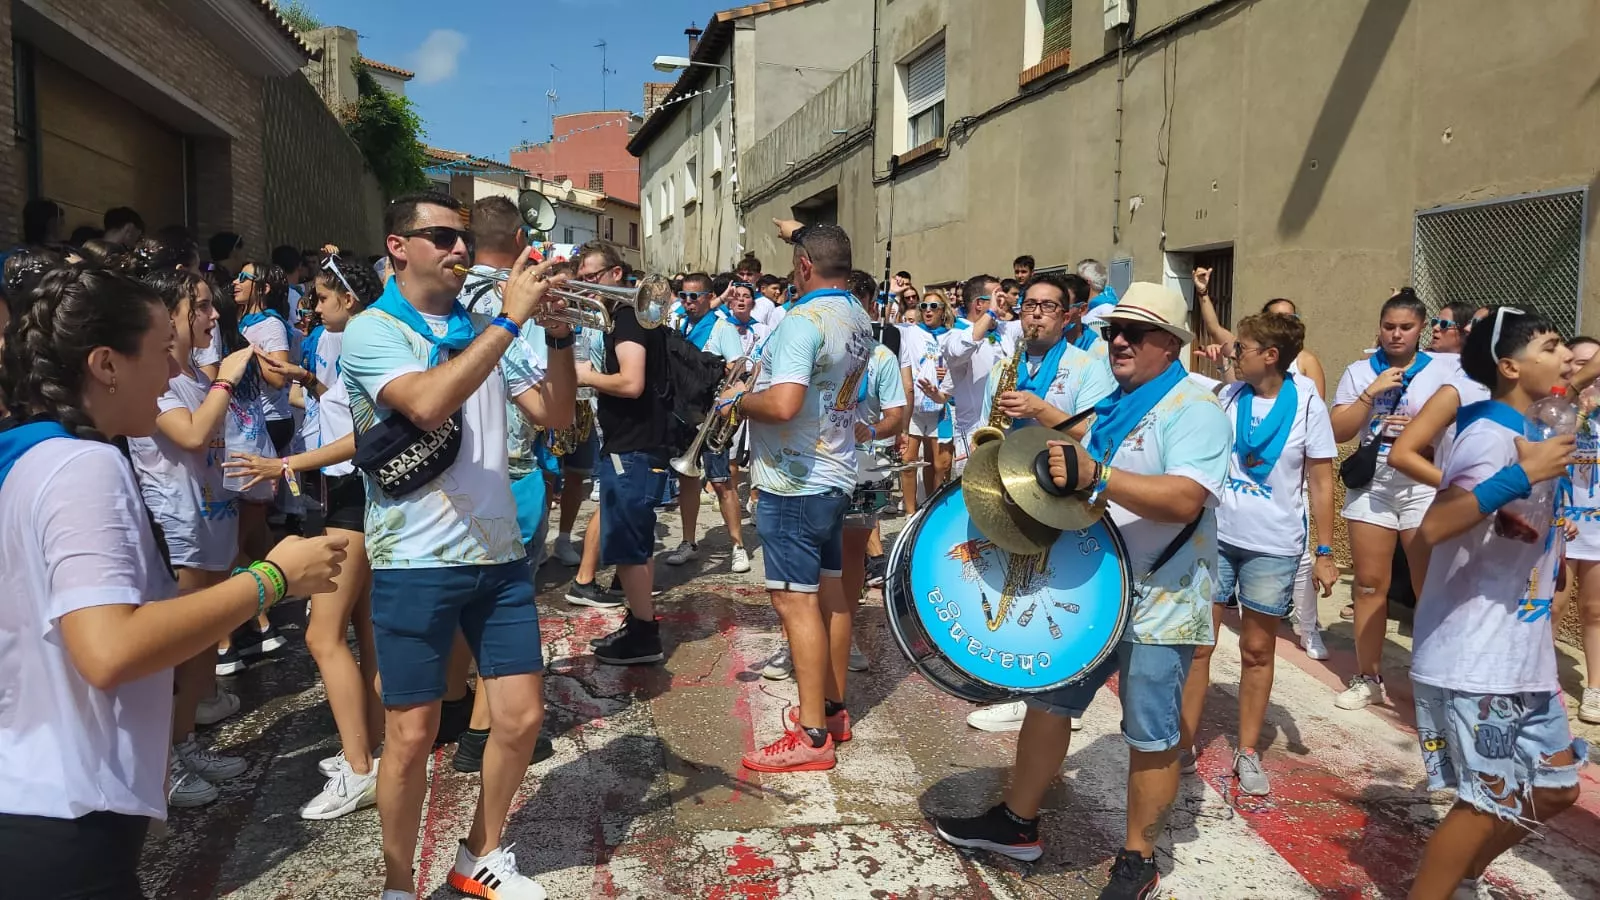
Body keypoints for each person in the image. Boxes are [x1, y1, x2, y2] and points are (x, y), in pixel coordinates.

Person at [0, 264, 344, 899]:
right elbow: (111, 650)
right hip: (68, 817)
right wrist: (273, 578)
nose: (173, 372)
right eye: (160, 353)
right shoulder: (84, 467)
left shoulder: (30, 460)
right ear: (106, 364)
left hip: (46, 800)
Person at [935, 283, 1230, 900]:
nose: (1117, 341)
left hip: (1162, 595)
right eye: (1111, 331)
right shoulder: (1115, 404)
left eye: (1134, 332)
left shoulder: (1193, 408)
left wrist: (1096, 473)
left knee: (1150, 731)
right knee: (1050, 701)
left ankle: (1138, 859)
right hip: (1098, 589)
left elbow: (1184, 499)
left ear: (1170, 344)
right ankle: (1017, 823)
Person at [341, 190, 575, 900]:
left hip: (499, 556)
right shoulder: (372, 330)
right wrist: (509, 319)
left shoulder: (485, 329)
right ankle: (394, 884)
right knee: (410, 737)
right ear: (397, 246)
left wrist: (557, 335)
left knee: (522, 718)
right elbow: (428, 402)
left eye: (464, 239)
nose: (459, 250)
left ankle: (480, 854)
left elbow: (557, 415)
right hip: (415, 559)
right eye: (441, 237)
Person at [1405, 307, 1583, 900]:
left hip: (1521, 652)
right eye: (1554, 346)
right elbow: (1433, 527)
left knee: (1557, 788)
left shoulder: (1532, 423)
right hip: (1475, 656)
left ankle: (1463, 876)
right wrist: (1517, 478)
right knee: (1484, 804)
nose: (1566, 358)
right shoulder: (1488, 436)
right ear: (1510, 366)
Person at [228, 255, 388, 820]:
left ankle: (361, 768)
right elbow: (345, 414)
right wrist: (310, 383)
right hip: (353, 499)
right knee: (362, 631)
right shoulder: (358, 345)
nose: (312, 309)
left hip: (351, 500)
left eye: (320, 299)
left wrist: (283, 465)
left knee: (323, 637)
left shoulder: (364, 346)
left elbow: (358, 439)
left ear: (347, 299)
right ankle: (371, 750)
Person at [729, 219, 873, 773]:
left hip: (794, 480)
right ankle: (833, 710)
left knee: (795, 602)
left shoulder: (801, 319)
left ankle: (812, 735)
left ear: (805, 267)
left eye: (795, 262)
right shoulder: (856, 315)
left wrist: (738, 401)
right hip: (835, 471)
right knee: (830, 592)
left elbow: (784, 404)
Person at [1177, 312, 1339, 796]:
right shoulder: (1229, 396)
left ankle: (1247, 751)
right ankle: (1182, 744)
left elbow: (1322, 482)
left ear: (1270, 355)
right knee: (1198, 642)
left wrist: (1326, 551)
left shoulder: (1309, 404)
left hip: (1273, 546)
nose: (1232, 351)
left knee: (1256, 650)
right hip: (1217, 537)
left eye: (1242, 346)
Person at [963, 273, 1117, 736]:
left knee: (1047, 591)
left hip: (1060, 496)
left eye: (1048, 307)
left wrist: (1039, 410)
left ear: (1067, 316)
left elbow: (1094, 433)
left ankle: (1038, 693)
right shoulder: (1005, 366)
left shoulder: (1088, 366)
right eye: (1029, 305)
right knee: (1007, 583)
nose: (1035, 314)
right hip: (1011, 486)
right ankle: (1014, 686)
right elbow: (988, 427)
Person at [127, 268, 259, 808]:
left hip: (215, 524)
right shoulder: (159, 380)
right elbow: (191, 432)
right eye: (200, 307)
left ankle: (186, 744)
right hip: (179, 530)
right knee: (177, 657)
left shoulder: (196, 376)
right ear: (169, 316)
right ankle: (162, 768)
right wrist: (228, 380)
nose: (211, 316)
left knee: (204, 645)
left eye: (210, 306)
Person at [1329, 289, 1454, 711]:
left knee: (1428, 587)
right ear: (1379, 328)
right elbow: (1338, 431)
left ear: (1422, 329)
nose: (1396, 335)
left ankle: (1434, 681)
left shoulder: (1441, 370)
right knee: (1368, 585)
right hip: (1374, 482)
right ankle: (1368, 677)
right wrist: (1371, 393)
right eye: (1389, 327)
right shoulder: (1360, 370)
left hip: (1421, 480)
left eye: (1406, 327)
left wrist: (1424, 428)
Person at [579, 240, 674, 665]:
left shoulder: (627, 319)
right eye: (581, 279)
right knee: (637, 543)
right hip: (637, 444)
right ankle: (639, 624)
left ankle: (643, 635)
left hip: (631, 446)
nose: (585, 286)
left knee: (628, 547)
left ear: (616, 274)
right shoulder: (628, 319)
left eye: (591, 278)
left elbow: (631, 383)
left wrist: (587, 376)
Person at [663, 272, 751, 573]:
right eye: (684, 296)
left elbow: (739, 372)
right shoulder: (681, 324)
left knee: (721, 482)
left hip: (711, 419)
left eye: (694, 297)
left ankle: (738, 545)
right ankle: (688, 541)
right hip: (685, 415)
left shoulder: (722, 328)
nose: (687, 303)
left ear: (708, 298)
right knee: (687, 480)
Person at [1193, 272, 1327, 398]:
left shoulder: (1307, 361)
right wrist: (1202, 292)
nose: (1285, 323)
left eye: (1291, 317)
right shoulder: (1247, 349)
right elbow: (1215, 329)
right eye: (1278, 317)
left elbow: (1315, 409)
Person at [1558, 335, 1600, 724]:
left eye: (1592, 364)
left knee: (1595, 610)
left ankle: (1595, 689)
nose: (1585, 372)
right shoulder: (1555, 409)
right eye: (1576, 364)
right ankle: (1539, 682)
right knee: (1551, 605)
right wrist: (1581, 413)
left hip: (1597, 526)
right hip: (1561, 521)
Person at [942, 274, 1010, 473]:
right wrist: (992, 313)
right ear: (980, 304)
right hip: (973, 435)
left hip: (1005, 431)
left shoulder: (1003, 331)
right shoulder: (953, 334)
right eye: (998, 296)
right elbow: (960, 350)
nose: (1004, 300)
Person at [898, 289, 955, 511]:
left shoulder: (952, 335)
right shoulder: (910, 332)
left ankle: (932, 509)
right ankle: (911, 512)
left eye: (934, 307)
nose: (928, 311)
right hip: (916, 407)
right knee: (909, 460)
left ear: (943, 311)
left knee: (939, 464)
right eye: (924, 306)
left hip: (940, 407)